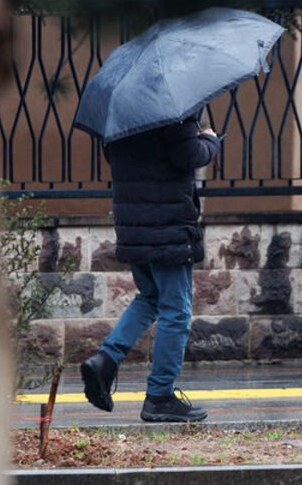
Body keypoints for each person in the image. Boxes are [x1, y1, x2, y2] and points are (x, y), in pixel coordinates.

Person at [80, 116, 219, 422]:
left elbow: (113, 155)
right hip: (167, 225)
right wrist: (209, 139)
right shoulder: (173, 112)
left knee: (151, 297)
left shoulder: (120, 114)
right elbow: (187, 156)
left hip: (133, 224)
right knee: (177, 311)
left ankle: (106, 360)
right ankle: (159, 396)